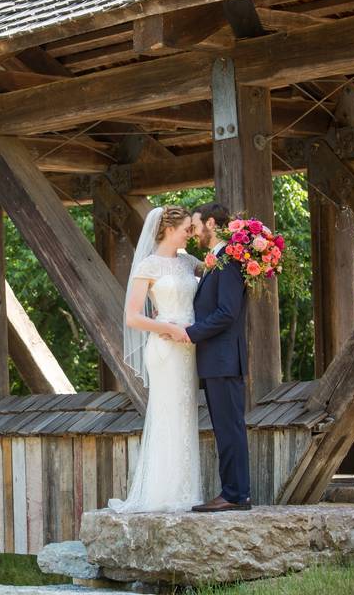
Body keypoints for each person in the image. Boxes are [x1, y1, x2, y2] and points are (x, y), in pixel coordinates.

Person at [107, 205, 205, 513]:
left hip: (189, 346)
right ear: (168, 230)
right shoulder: (149, 265)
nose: (191, 233)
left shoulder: (190, 262)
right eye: (187, 228)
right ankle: (162, 493)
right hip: (165, 346)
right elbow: (133, 317)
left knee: (186, 414)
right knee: (167, 414)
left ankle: (185, 490)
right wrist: (167, 328)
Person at [169, 202, 251, 512]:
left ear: (212, 223)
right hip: (217, 359)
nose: (194, 231)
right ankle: (235, 492)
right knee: (226, 428)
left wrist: (191, 332)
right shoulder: (217, 260)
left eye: (196, 224)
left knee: (229, 428)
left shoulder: (228, 260)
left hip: (224, 358)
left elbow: (227, 313)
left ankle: (235, 494)